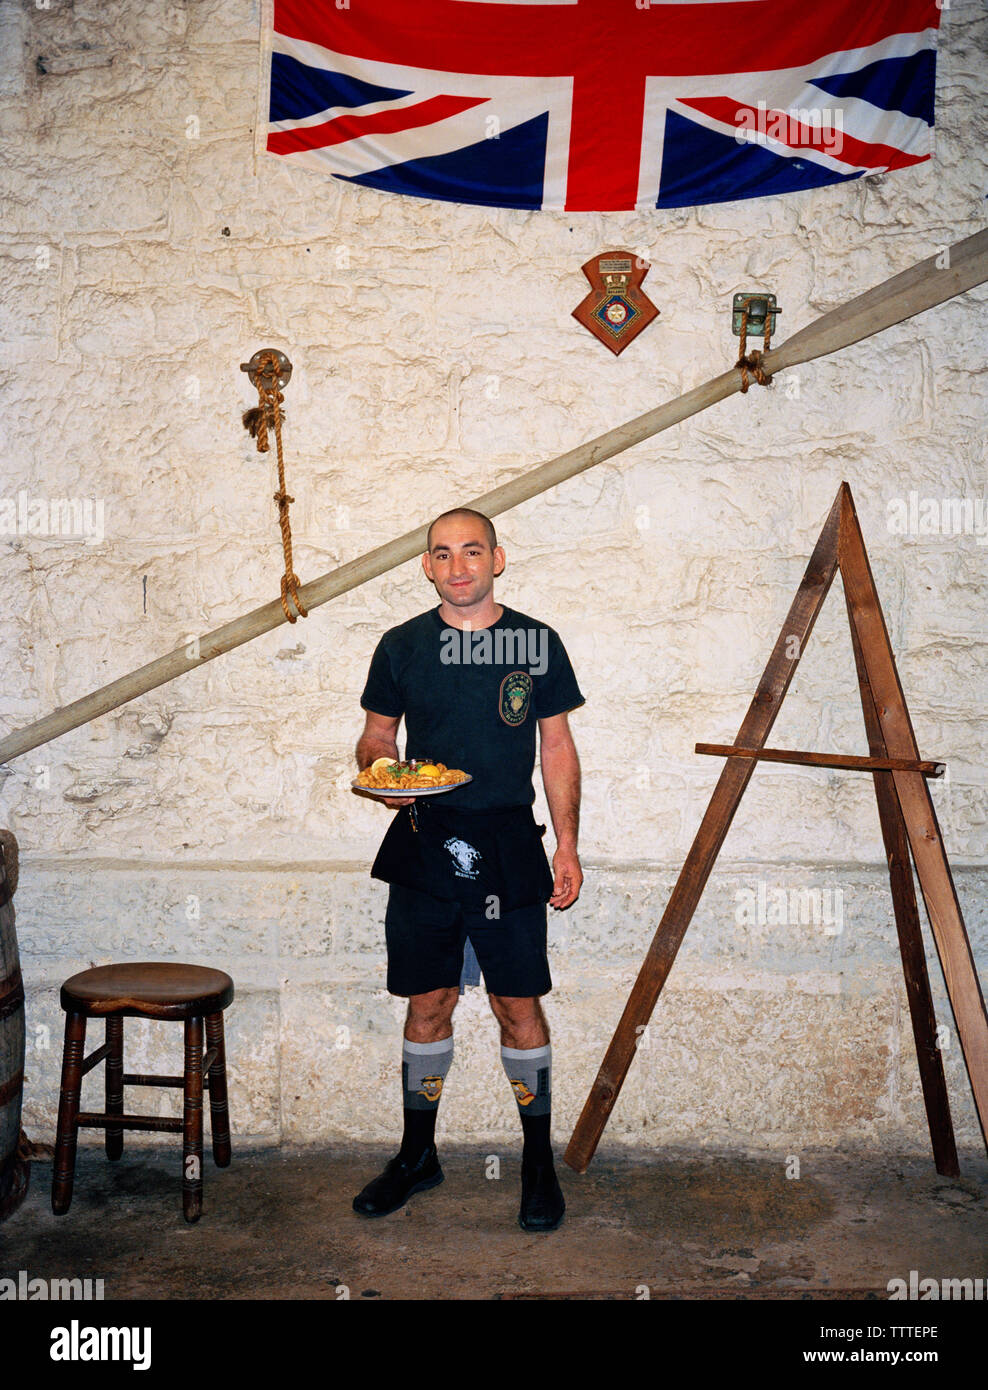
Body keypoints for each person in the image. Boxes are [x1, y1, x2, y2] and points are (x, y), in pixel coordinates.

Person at [352, 507, 584, 1231]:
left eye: (472, 551)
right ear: (427, 566)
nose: (458, 566)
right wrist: (382, 773)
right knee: (429, 1005)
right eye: (443, 554)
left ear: (498, 559)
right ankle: (419, 1155)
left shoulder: (536, 644)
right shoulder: (400, 646)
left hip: (510, 847)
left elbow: (557, 748)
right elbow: (375, 738)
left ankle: (538, 1165)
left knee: (518, 1006)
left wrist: (567, 846)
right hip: (424, 840)